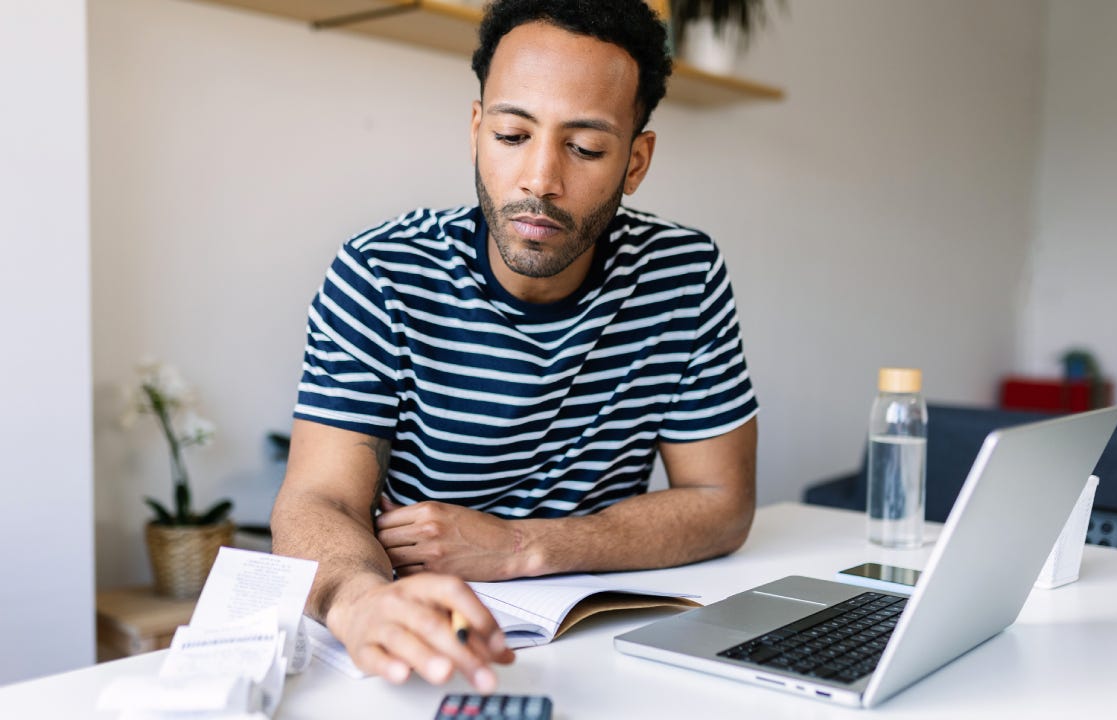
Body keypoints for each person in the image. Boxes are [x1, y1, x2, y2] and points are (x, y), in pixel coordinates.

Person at [271, 0, 759, 693]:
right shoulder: (381, 273)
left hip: (604, 640)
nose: (539, 180)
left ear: (636, 160)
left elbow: (721, 501)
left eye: (585, 148)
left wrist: (524, 547)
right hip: (424, 644)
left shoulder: (683, 273)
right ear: (476, 131)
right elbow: (320, 500)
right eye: (510, 134)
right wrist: (360, 599)